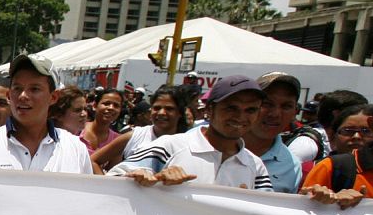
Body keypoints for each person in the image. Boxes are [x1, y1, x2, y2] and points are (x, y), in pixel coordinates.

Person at [109, 75, 271, 190]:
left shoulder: (255, 167)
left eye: (251, 110)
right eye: (231, 108)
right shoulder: (169, 147)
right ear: (209, 109)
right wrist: (140, 177)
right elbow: (110, 183)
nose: (240, 117)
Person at [0, 56, 94, 173]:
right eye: (17, 88)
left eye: (34, 89)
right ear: (9, 95)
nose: (23, 96)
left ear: (53, 97)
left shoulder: (76, 150)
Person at [93, 84, 189, 171]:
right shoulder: (134, 136)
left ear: (180, 112)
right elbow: (93, 161)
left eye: (169, 109)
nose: (161, 113)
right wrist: (106, 182)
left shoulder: (189, 144)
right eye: (157, 108)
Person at [240, 72, 304, 193]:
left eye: (286, 106)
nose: (275, 114)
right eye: (267, 104)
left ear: (295, 112)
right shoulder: (214, 145)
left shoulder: (291, 166)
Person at [287, 88, 363, 168]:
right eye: (357, 113)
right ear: (337, 114)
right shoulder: (307, 145)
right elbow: (286, 172)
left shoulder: (340, 144)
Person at [78, 87, 123, 154]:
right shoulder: (77, 130)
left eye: (116, 105)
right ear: (94, 106)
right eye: (106, 103)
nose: (111, 108)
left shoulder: (118, 141)